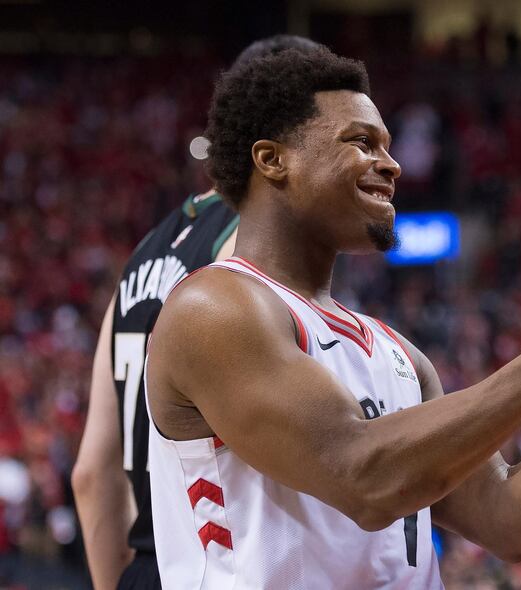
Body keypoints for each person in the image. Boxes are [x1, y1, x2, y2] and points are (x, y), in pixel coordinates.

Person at [145, 46, 521, 588]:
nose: (393, 162)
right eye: (361, 142)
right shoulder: (211, 308)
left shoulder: (397, 352)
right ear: (273, 160)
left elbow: (510, 520)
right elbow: (365, 479)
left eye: (386, 144)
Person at [71, 34, 321, 590]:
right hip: (224, 566)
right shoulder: (258, 244)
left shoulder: (141, 255)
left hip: (145, 567)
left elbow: (92, 473)